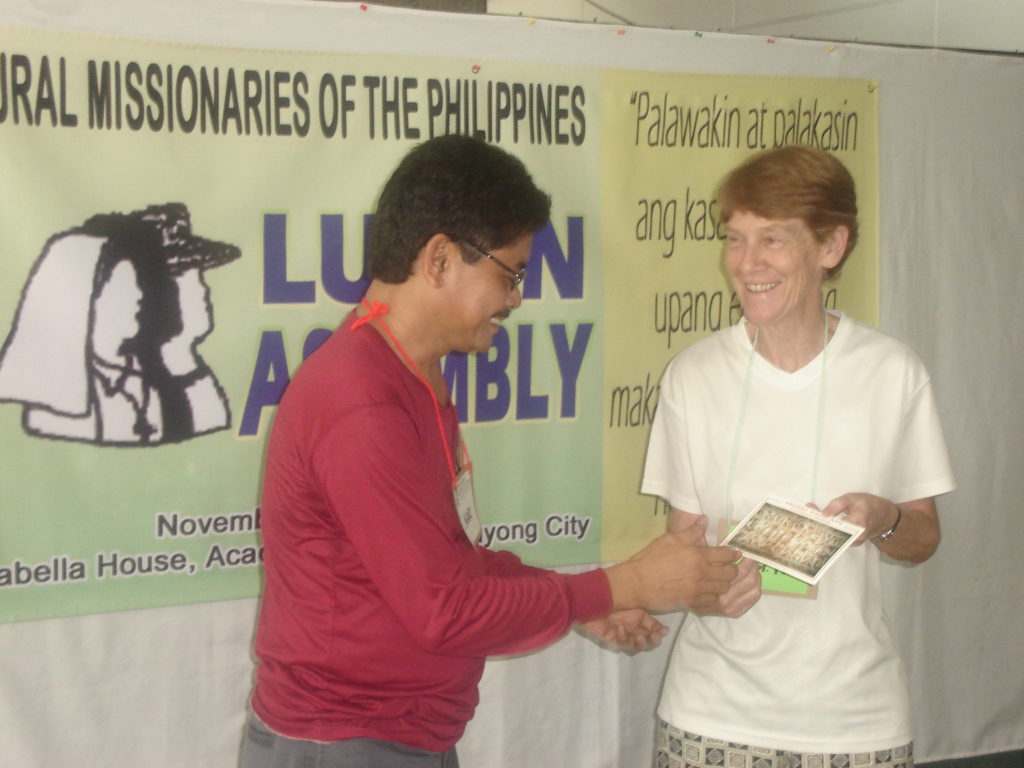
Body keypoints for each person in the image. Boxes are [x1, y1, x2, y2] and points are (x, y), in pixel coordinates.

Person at [241, 134, 748, 768]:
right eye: (510, 274)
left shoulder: (409, 376)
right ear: (440, 259)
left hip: (393, 737)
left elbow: (455, 565)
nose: (516, 298)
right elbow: (445, 611)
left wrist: (593, 600)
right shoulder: (361, 399)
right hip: (346, 743)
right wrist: (624, 583)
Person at [642, 145, 956, 768]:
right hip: (710, 715)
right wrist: (698, 590)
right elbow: (684, 541)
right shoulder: (692, 375)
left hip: (853, 720)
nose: (747, 263)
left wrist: (882, 518)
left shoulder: (892, 372)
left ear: (831, 247)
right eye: (735, 239)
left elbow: (922, 538)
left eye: (773, 240)